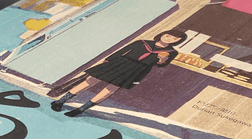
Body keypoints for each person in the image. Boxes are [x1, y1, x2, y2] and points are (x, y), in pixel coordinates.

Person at [50, 29, 187, 117]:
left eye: (174, 39)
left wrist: (162, 60)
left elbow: (161, 66)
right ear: (162, 34)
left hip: (137, 70)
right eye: (168, 36)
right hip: (120, 62)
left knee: (110, 89)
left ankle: (81, 109)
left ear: (178, 41)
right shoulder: (142, 42)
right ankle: (61, 101)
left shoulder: (171, 52)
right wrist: (108, 61)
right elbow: (122, 51)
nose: (169, 39)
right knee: (90, 81)